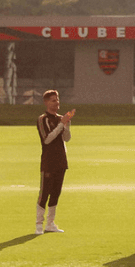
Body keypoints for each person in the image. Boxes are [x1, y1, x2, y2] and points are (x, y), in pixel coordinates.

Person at [35, 90, 74, 234]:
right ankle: (39, 224)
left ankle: (50, 224)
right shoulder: (43, 119)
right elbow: (47, 139)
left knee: (56, 193)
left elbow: (67, 138)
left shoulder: (61, 118)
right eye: (53, 100)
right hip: (48, 161)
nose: (56, 103)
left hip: (61, 160)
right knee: (44, 192)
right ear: (46, 102)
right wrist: (60, 124)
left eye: (57, 100)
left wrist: (67, 125)